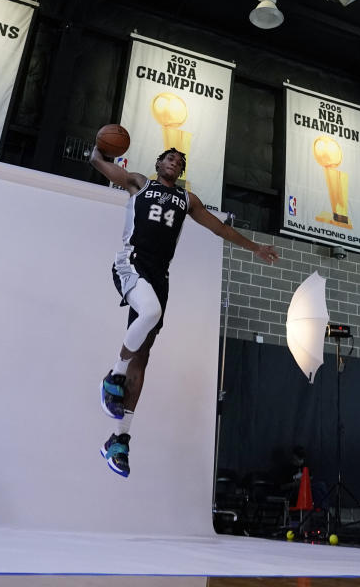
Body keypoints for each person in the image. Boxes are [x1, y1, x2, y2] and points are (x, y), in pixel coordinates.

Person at [89, 144, 279, 477]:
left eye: (179, 162)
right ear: (158, 163)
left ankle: (118, 440)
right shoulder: (138, 183)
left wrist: (255, 248)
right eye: (169, 158)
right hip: (131, 263)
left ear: (181, 171)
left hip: (159, 276)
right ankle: (113, 376)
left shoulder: (187, 200)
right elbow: (97, 161)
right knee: (150, 313)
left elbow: (219, 228)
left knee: (143, 357)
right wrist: (102, 144)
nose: (174, 162)